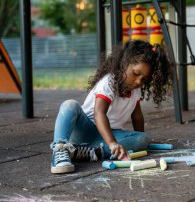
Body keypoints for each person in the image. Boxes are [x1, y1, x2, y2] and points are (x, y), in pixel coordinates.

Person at [50, 40, 172, 174]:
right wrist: (113, 143)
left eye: (144, 79)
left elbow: (137, 116)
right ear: (124, 64)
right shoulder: (109, 82)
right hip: (84, 129)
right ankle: (60, 149)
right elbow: (99, 114)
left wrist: (140, 137)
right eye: (136, 73)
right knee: (70, 105)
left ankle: (89, 152)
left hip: (105, 137)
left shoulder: (136, 90)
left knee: (142, 139)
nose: (138, 81)